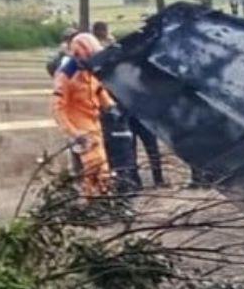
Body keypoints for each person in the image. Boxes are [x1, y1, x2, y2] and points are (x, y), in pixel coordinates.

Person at [92, 21, 165, 189]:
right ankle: (150, 179)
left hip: (130, 111)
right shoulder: (121, 68)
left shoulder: (111, 68)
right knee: (143, 147)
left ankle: (142, 180)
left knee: (135, 147)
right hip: (134, 111)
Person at [52, 33, 115, 198]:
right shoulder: (65, 77)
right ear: (78, 55)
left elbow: (99, 89)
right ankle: (93, 201)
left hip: (95, 124)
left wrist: (109, 105)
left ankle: (103, 199)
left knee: (103, 166)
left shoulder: (90, 72)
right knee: (94, 168)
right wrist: (74, 133)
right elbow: (58, 109)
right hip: (80, 128)